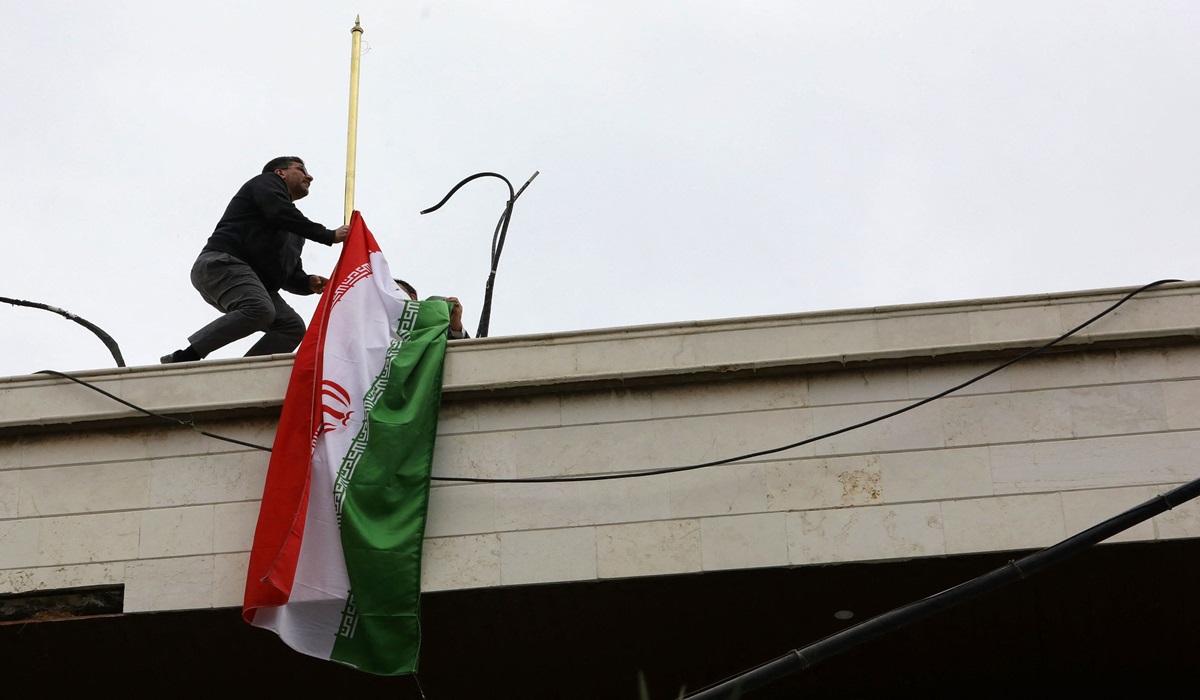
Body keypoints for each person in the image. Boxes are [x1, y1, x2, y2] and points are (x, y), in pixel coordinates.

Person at [161, 157, 349, 363]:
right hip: (223, 264)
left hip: (252, 280)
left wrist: (306, 282)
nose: (309, 176)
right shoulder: (266, 183)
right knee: (260, 309)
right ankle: (185, 356)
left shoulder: (295, 231)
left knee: (291, 326)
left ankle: (240, 377)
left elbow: (289, 274)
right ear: (280, 173)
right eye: (301, 170)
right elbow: (279, 212)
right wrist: (329, 235)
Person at [394, 279, 469, 339]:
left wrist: (456, 326)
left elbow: (467, 353)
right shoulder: (385, 331)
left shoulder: (435, 322)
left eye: (396, 291)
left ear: (412, 298)